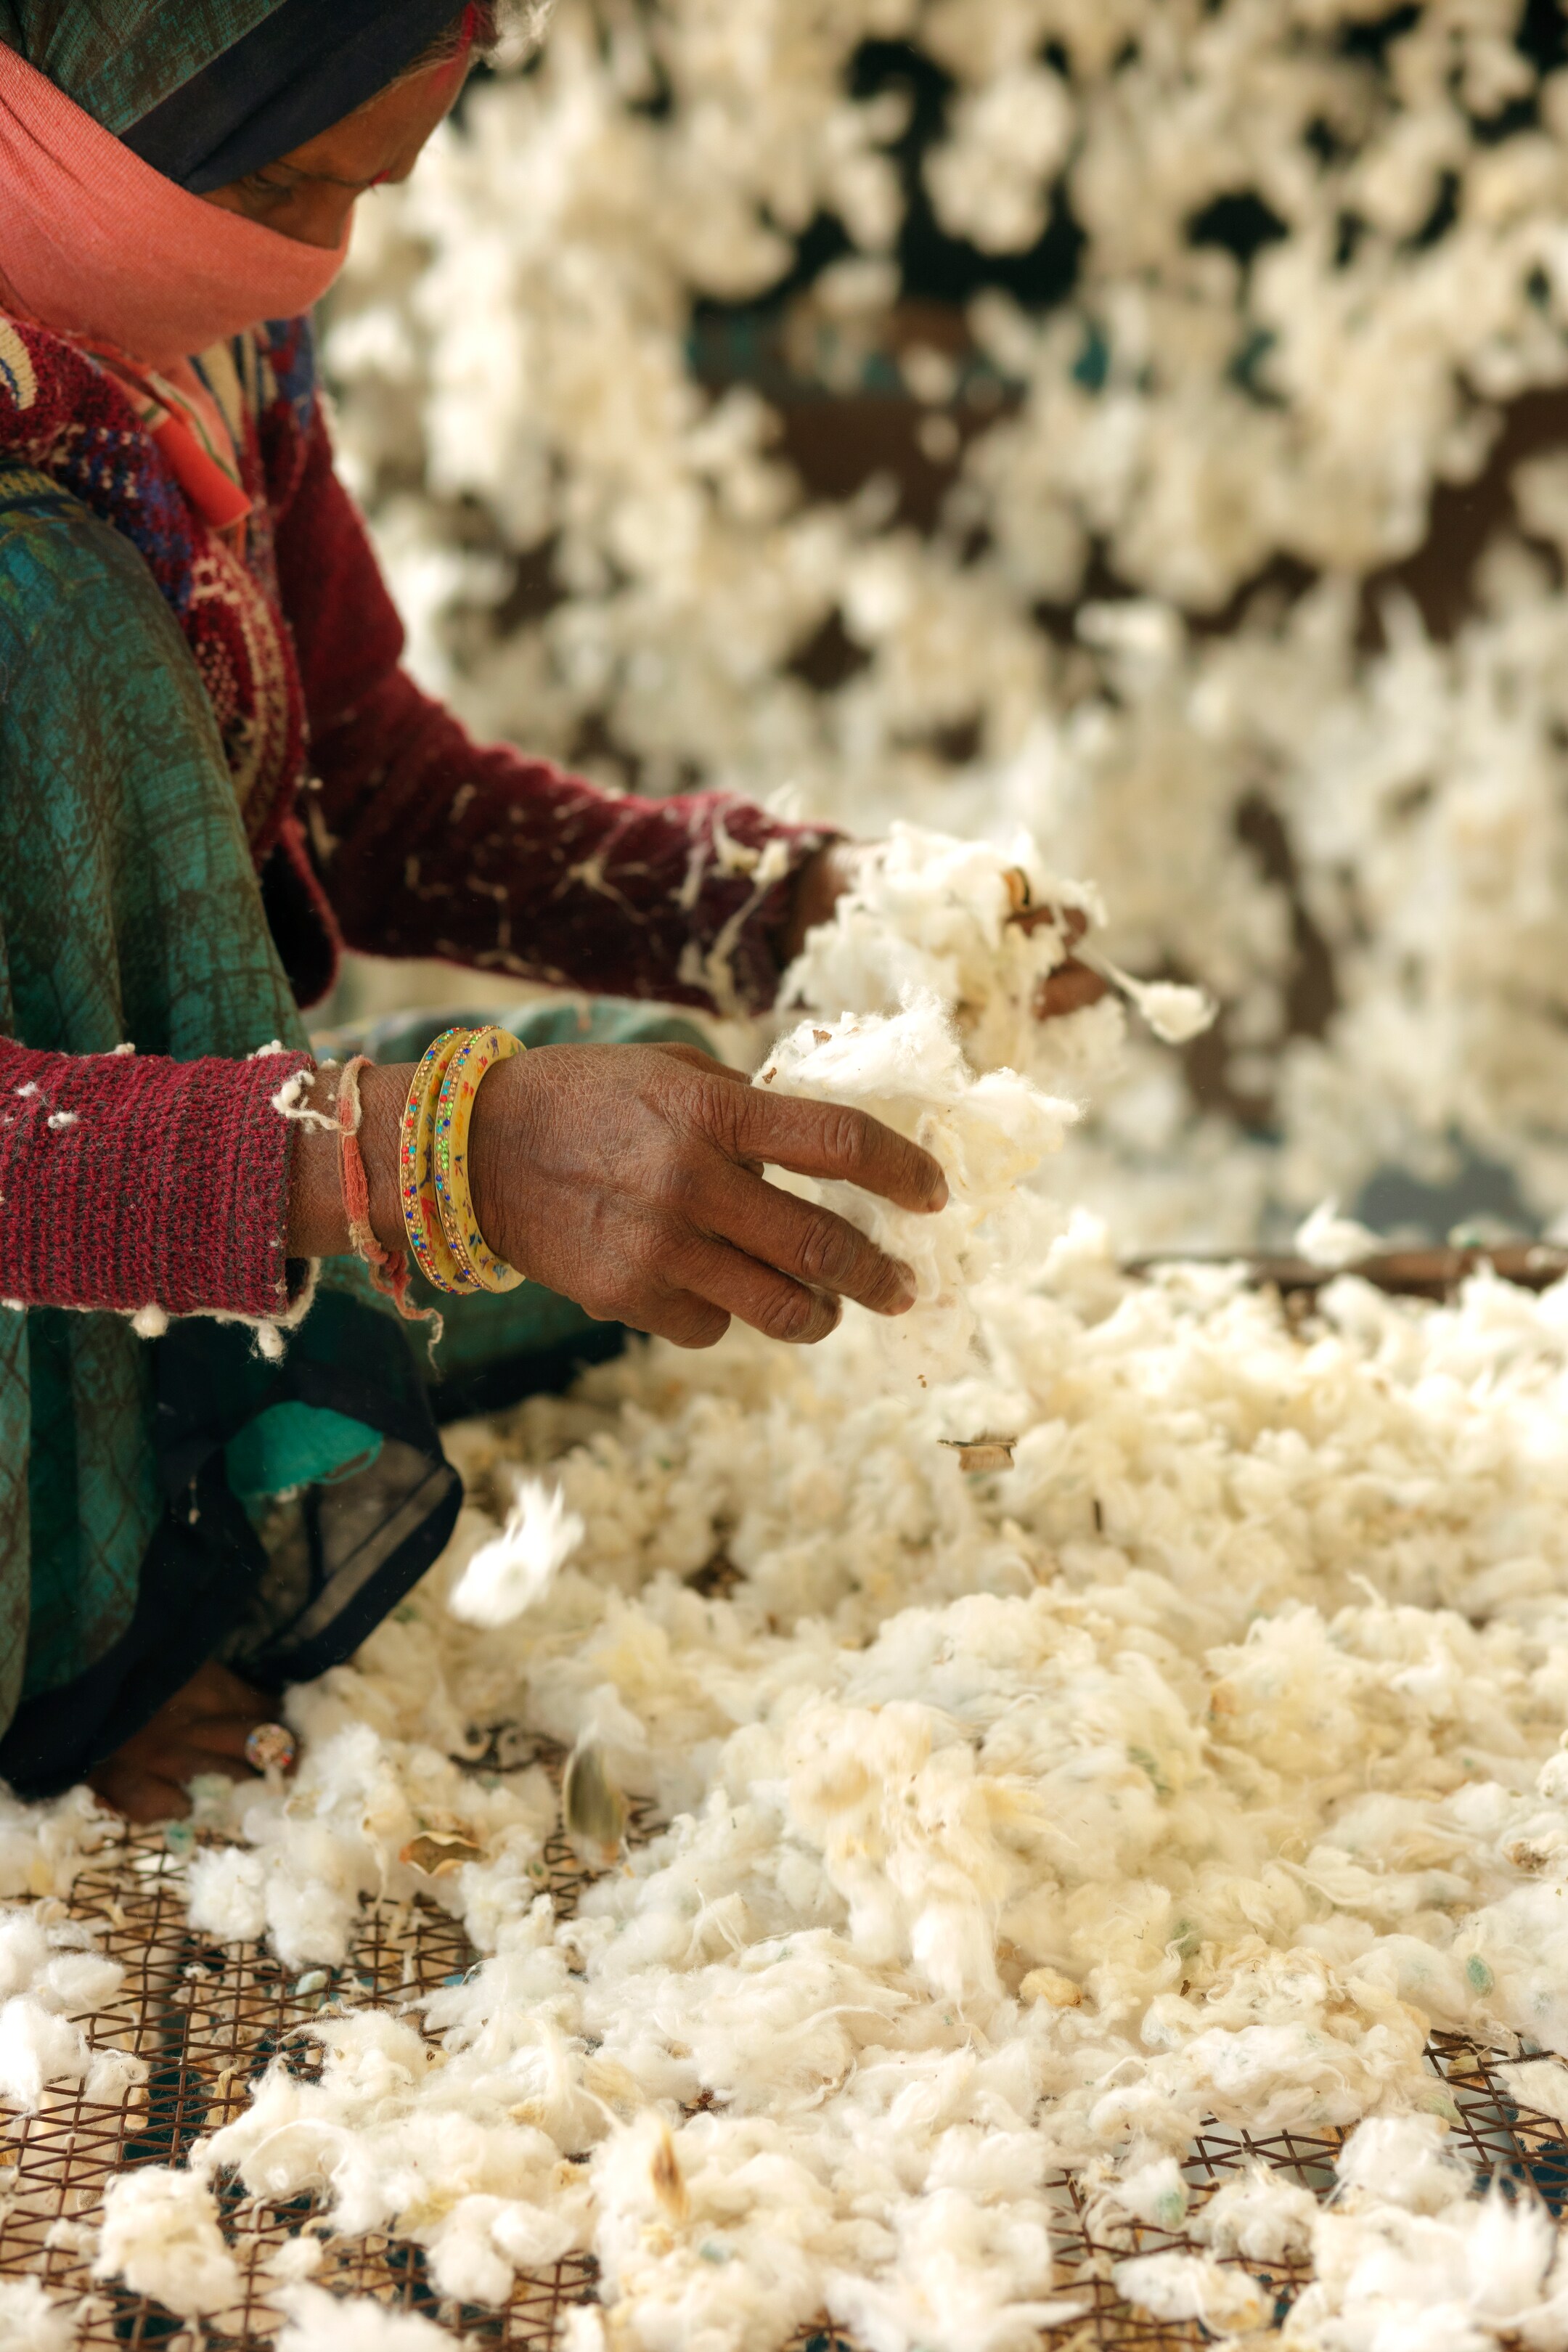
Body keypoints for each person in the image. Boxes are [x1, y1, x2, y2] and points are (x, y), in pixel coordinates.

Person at [0, 2, 1099, 1823]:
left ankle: (157, 1467)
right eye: (281, 180)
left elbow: (369, 784)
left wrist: (804, 907)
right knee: (40, 621)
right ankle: (76, 1617)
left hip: (107, 1217)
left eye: (370, 184)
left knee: (667, 1138)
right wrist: (424, 1163)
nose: (314, 254)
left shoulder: (196, 359)